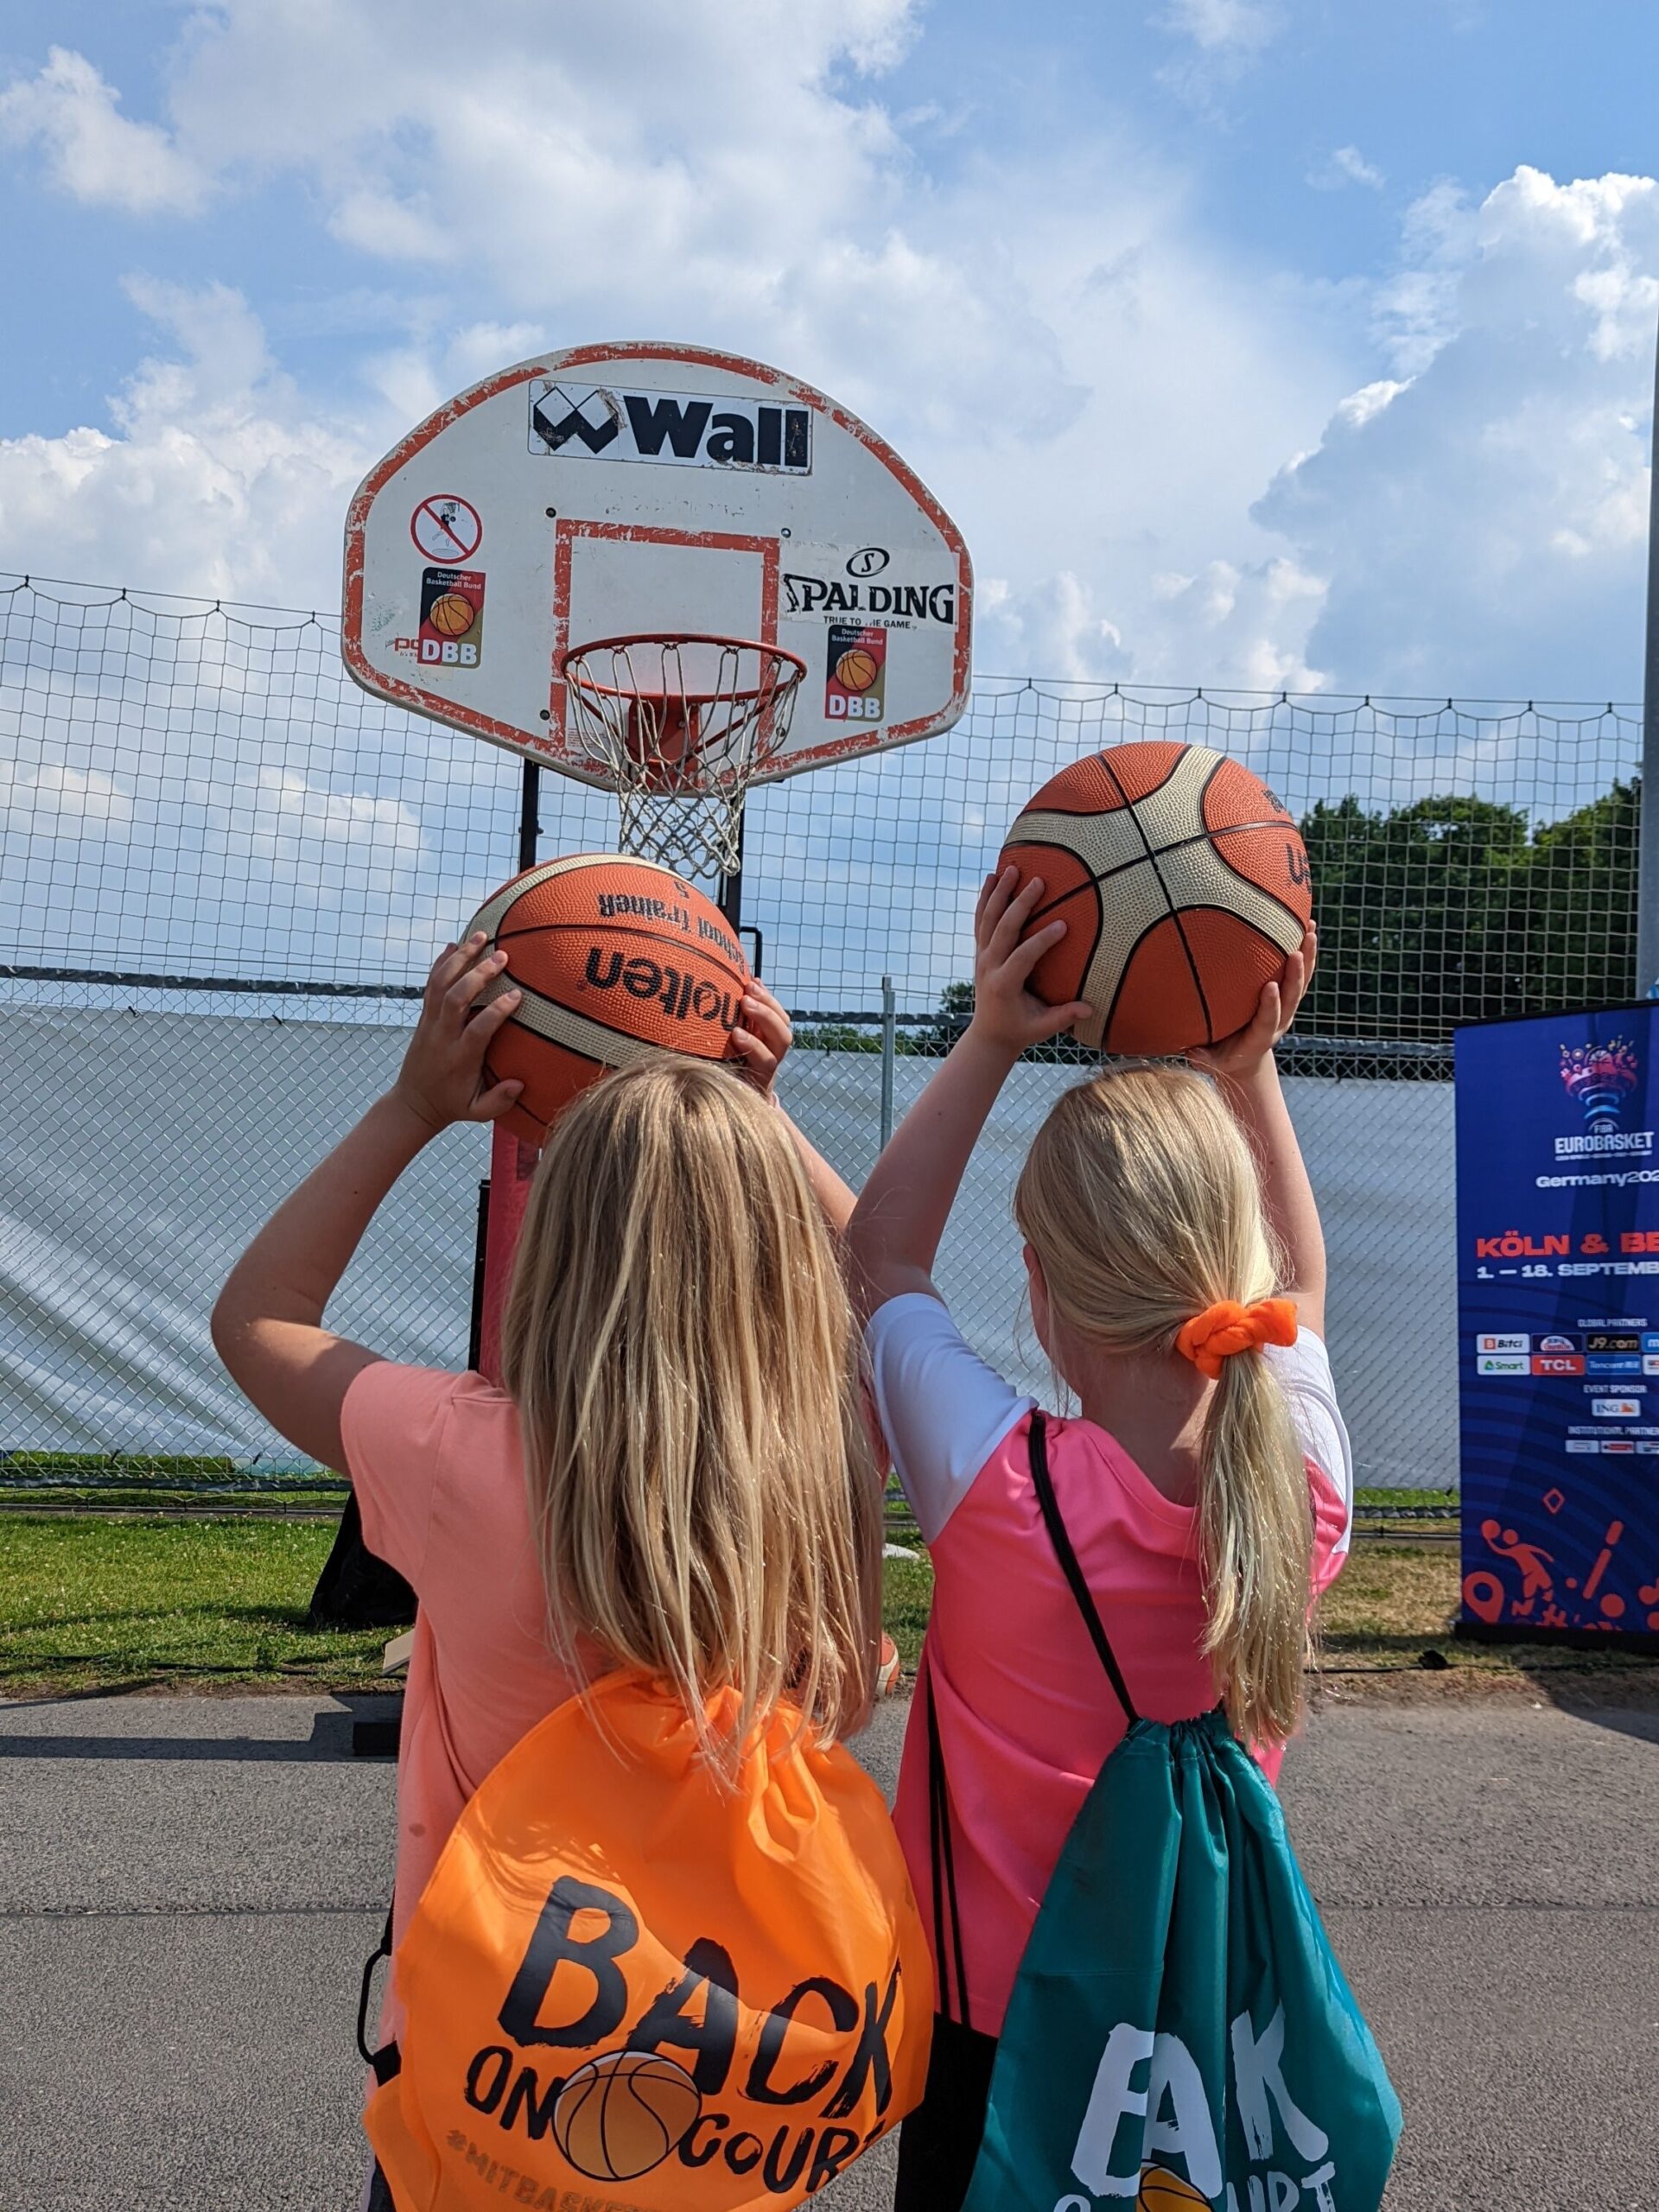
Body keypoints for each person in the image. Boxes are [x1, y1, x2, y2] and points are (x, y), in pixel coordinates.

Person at [209, 935, 887, 2201]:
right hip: (722, 2088)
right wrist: (762, 1118)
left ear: (558, 1249)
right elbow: (891, 1285)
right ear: (783, 1261)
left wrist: (415, 1106)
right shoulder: (826, 1470)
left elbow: (256, 1319)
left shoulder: (465, 1458)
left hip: (488, 2072)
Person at [844, 869, 1353, 2211]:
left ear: (1041, 1287)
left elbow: (878, 1264)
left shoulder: (994, 1486)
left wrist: (992, 1035)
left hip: (997, 2033)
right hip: (1201, 2015)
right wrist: (1255, 1075)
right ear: (1234, 1278)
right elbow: (1301, 1297)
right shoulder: (1302, 1480)